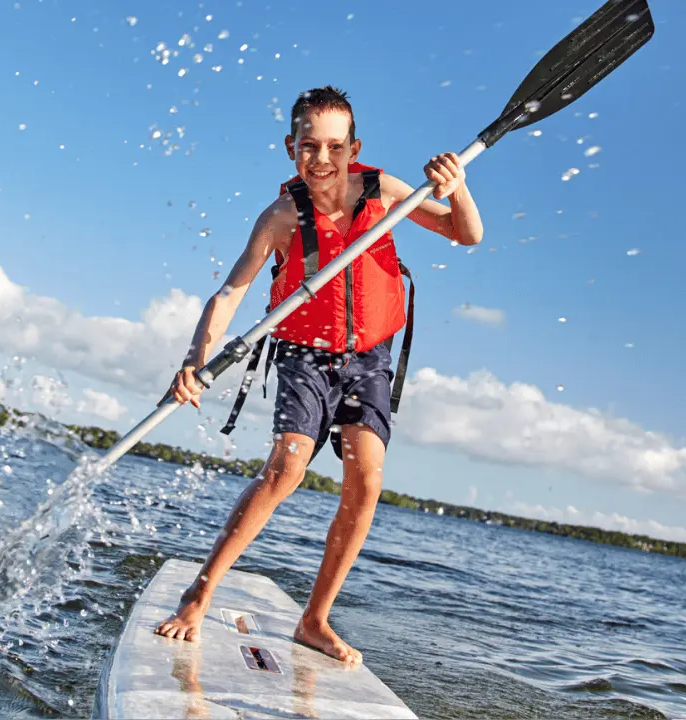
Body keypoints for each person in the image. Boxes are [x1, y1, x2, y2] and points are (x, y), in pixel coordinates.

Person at [153, 85, 483, 664]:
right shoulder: (280, 217)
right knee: (285, 467)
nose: (323, 159)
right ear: (291, 148)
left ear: (355, 148)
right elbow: (231, 292)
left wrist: (458, 190)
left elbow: (466, 233)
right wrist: (193, 360)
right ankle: (199, 593)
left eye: (335, 146)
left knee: (369, 478)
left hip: (369, 357)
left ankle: (315, 619)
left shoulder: (385, 193)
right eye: (310, 146)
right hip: (304, 354)